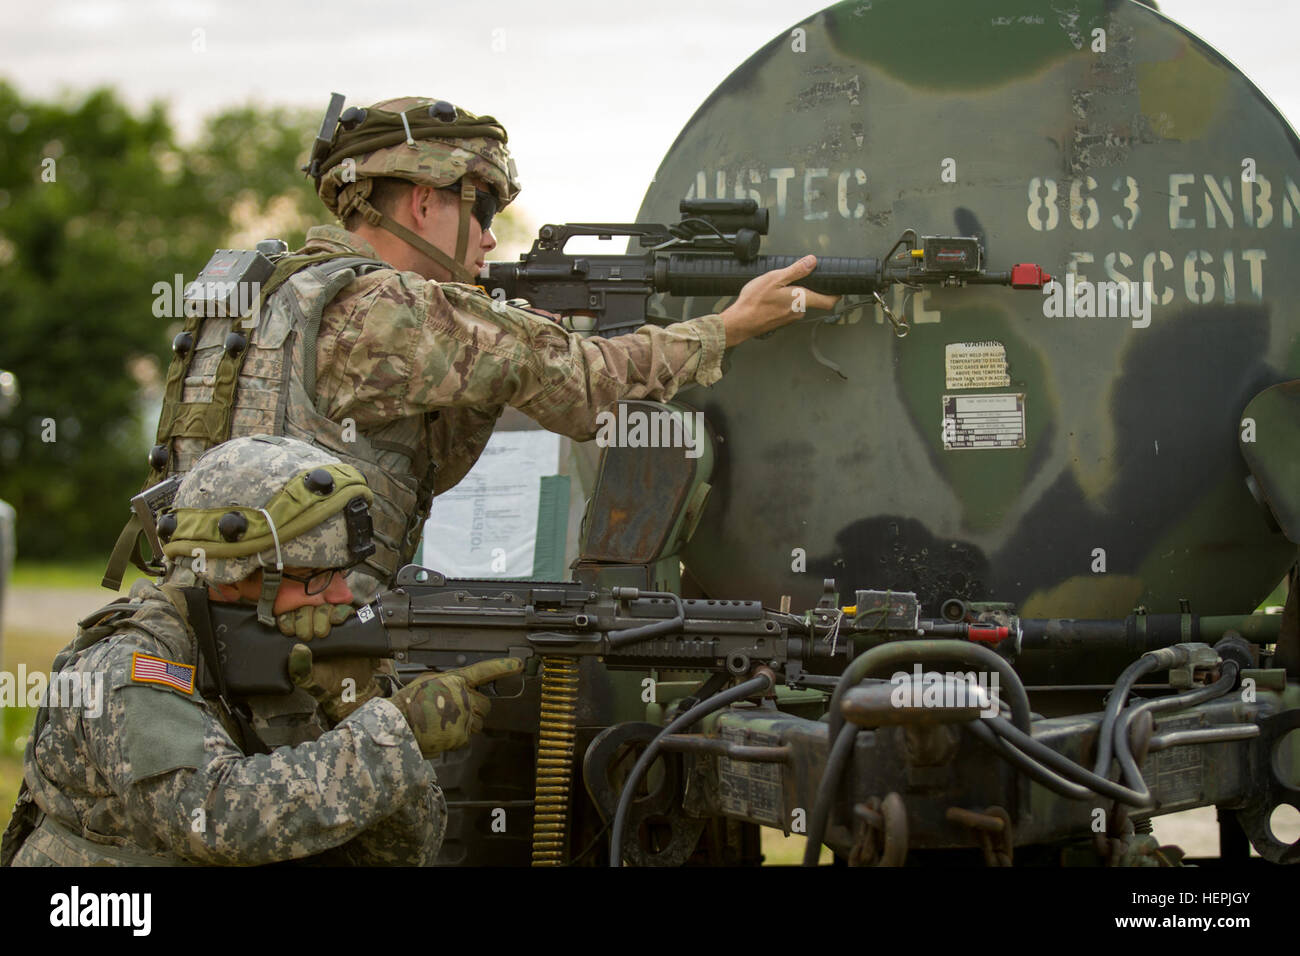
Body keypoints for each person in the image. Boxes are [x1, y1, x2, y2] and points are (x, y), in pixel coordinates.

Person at [104, 94, 839, 618]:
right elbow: (594, 388)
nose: (489, 238)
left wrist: (507, 356)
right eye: (481, 208)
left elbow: (417, 461)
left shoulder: (268, 294)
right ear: (424, 202)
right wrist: (733, 325)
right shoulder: (393, 309)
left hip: (203, 615)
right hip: (308, 627)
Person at [3, 435, 520, 866]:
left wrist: (357, 703)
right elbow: (215, 819)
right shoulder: (129, 665)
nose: (343, 596)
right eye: (317, 577)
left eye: (344, 573)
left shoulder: (299, 651)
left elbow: (403, 852)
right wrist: (393, 732)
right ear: (235, 575)